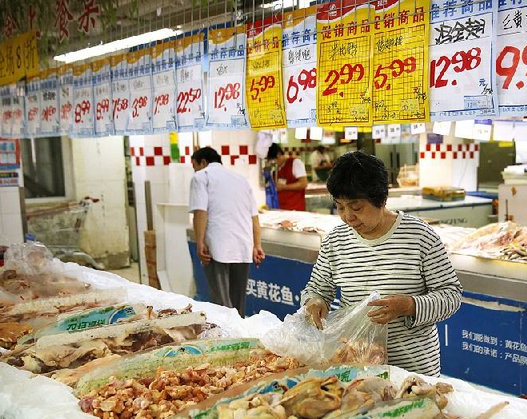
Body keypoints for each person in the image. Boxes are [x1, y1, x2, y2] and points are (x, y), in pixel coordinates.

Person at [302, 151, 462, 376]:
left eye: (356, 208)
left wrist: (409, 306)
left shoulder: (420, 236)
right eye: (340, 207)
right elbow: (318, 288)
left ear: (381, 200)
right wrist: (315, 302)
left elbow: (451, 296)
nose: (348, 217)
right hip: (358, 366)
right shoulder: (335, 240)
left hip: (413, 370)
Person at [189, 146, 265, 317]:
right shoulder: (240, 179)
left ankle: (227, 339)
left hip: (217, 247)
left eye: (194, 165)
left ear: (203, 162)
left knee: (222, 305)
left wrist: (199, 242)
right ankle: (242, 340)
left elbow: (200, 212)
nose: (194, 170)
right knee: (238, 305)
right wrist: (257, 245)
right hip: (243, 246)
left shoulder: (201, 177)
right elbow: (254, 216)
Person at [267, 143, 308, 211]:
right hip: (280, 207)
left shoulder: (295, 163)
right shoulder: (276, 169)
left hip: (295, 208)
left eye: (273, 160)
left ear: (279, 154)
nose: (272, 163)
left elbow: (303, 183)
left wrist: (284, 187)